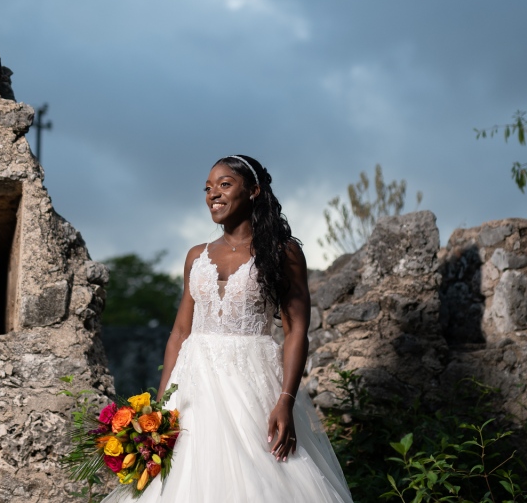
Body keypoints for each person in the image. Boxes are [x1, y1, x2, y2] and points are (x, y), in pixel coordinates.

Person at [102, 155, 353, 502]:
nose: (213, 194)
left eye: (224, 184)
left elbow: (296, 331)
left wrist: (286, 401)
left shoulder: (284, 252)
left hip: (251, 384)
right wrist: (159, 407)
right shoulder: (195, 256)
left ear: (253, 191)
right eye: (207, 188)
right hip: (192, 385)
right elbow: (179, 332)